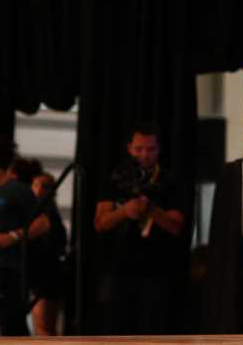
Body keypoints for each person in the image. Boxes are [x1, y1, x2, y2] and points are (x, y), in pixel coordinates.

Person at [94, 123, 186, 335]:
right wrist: (124, 212)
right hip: (118, 268)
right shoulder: (116, 179)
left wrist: (151, 209)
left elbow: (176, 226)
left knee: (152, 331)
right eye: (139, 149)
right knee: (115, 331)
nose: (145, 155)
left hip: (156, 271)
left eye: (150, 149)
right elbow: (99, 223)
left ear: (159, 149)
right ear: (129, 148)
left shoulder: (169, 181)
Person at [0, 136, 50, 335]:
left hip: (7, 269)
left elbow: (43, 223)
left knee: (10, 326)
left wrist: (14, 236)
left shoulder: (17, 190)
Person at [28, 171, 67, 335]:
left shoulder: (49, 214)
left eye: (45, 186)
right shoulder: (35, 212)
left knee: (44, 327)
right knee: (40, 327)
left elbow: (56, 246)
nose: (39, 190)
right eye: (36, 185)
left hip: (47, 276)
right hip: (37, 276)